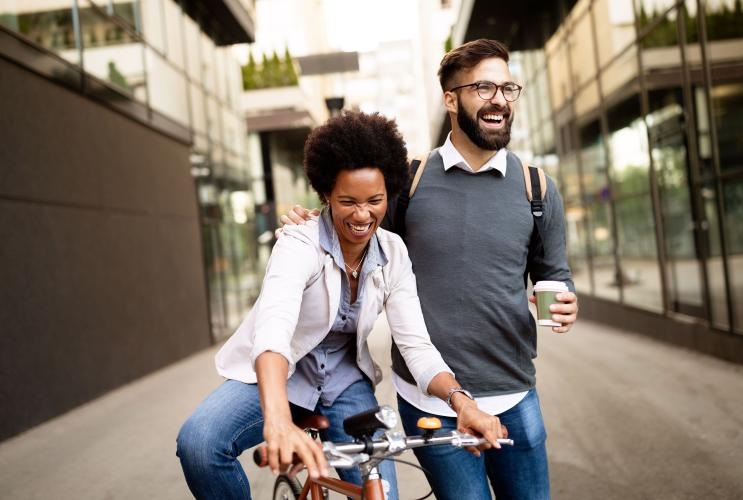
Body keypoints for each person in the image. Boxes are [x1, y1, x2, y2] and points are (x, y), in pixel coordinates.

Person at [281, 39, 579, 500]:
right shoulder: (412, 181)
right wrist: (312, 221)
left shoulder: (536, 187)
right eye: (483, 87)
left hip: (516, 394)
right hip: (429, 400)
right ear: (451, 99)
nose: (499, 98)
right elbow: (360, 232)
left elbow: (553, 273)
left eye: (507, 88)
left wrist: (563, 301)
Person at [176, 111, 504, 500]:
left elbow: (416, 346)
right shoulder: (299, 243)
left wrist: (461, 401)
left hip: (345, 383)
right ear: (326, 194)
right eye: (348, 200)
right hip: (279, 374)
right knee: (199, 443)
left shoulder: (394, 253)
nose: (363, 214)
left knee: (380, 489)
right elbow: (273, 330)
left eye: (375, 201)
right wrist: (278, 419)